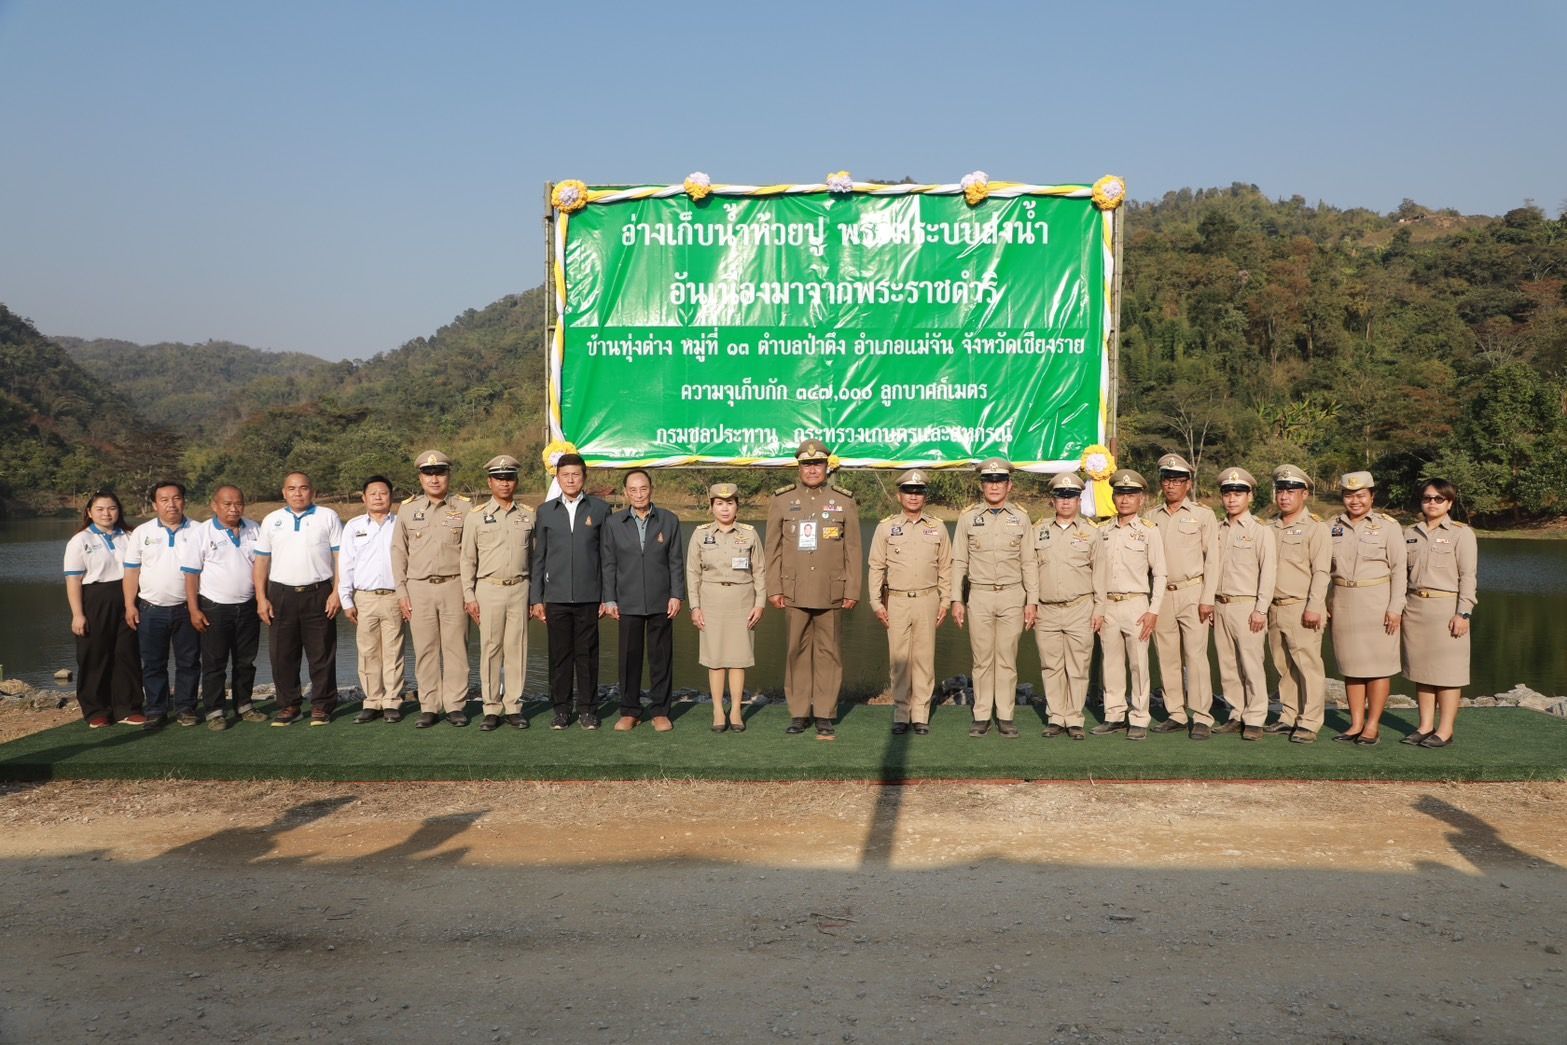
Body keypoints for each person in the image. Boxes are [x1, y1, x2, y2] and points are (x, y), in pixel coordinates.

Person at [765, 439, 862, 739]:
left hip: (831, 589)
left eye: (817, 464)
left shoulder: (844, 501)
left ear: (826, 467)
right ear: (799, 467)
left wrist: (853, 589)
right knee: (796, 651)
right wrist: (774, 587)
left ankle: (824, 712)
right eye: (807, 464)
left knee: (829, 652)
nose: (812, 469)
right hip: (793, 590)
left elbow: (854, 550)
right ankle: (798, 713)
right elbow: (773, 549)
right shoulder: (782, 501)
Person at [951, 458, 1038, 738]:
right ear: (982, 485)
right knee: (982, 659)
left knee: (1007, 659)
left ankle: (1005, 715)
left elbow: (1029, 563)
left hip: (1013, 595)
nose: (994, 486)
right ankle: (981, 715)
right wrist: (956, 599)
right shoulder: (968, 518)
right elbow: (958, 562)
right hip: (980, 595)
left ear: (1009, 485)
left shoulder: (1021, 518)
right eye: (989, 481)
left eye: (1000, 481)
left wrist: (1032, 601)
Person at [254, 471, 344, 726]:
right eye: (292, 488)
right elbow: (261, 561)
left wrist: (337, 592)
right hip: (281, 594)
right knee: (282, 655)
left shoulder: (328, 516)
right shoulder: (272, 520)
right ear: (283, 493)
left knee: (322, 653)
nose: (297, 493)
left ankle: (322, 706)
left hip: (319, 593)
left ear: (312, 491)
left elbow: (340, 558)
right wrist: (261, 598)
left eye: (303, 488)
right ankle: (289, 706)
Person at [866, 469, 951, 736]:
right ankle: (901, 713)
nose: (913, 497)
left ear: (925, 496)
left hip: (928, 599)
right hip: (898, 601)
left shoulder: (937, 527)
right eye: (908, 491)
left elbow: (946, 567)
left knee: (924, 659)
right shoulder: (885, 527)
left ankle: (921, 715)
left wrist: (946, 601)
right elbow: (875, 567)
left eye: (919, 491)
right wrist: (876, 602)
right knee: (899, 660)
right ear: (899, 495)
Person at [530, 452, 610, 730]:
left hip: (589, 597)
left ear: (584, 477)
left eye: (576, 474)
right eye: (565, 475)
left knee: (587, 655)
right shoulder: (546, 511)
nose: (571, 479)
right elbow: (539, 557)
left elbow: (606, 557)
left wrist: (606, 596)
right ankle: (561, 710)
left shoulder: (600, 509)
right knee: (559, 656)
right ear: (558, 478)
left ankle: (588, 709)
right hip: (556, 597)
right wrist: (536, 598)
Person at [392, 450, 472, 728]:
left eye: (440, 472)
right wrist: (401, 592)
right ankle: (429, 705)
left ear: (448, 475)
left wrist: (470, 591)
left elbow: (472, 553)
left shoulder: (465, 508)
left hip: (455, 586)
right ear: (420, 477)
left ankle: (455, 705)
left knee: (456, 649)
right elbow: (398, 553)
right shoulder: (406, 509)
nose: (434, 478)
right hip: (419, 588)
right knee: (425, 649)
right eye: (428, 473)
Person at [602, 468, 685, 732]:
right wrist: (610, 599)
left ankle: (660, 710)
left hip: (661, 600)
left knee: (661, 657)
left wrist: (676, 594)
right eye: (633, 490)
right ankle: (630, 711)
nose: (638, 494)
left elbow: (675, 562)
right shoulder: (614, 523)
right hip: (627, 601)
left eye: (643, 488)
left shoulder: (669, 520)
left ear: (651, 489)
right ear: (626, 492)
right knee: (629, 658)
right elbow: (608, 564)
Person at [1327, 471, 1407, 745]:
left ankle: (1372, 725)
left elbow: (1399, 571)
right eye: (1349, 495)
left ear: (1372, 496)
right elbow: (1323, 569)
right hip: (1344, 601)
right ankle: (1355, 723)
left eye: (1361, 495)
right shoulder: (1331, 526)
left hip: (1377, 601)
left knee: (1378, 667)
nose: (1355, 501)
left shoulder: (1388, 526)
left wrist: (1396, 607)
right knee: (1351, 666)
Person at [1144, 452, 1219, 735]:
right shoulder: (1150, 517)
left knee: (1196, 656)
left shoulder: (1203, 515)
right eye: (1166, 479)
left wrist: (1207, 598)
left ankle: (1201, 716)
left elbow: (1213, 560)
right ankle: (1176, 712)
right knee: (1167, 655)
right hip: (1162, 594)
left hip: (1192, 591)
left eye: (1177, 480)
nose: (1171, 485)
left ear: (1188, 483)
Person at [461, 455, 536, 732]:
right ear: (490, 481)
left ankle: (514, 706)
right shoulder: (476, 516)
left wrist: (534, 596)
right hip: (488, 589)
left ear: (516, 481)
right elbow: (467, 559)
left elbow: (535, 557)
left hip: (520, 588)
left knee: (517, 650)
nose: (505, 483)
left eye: (509, 478)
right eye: (499, 478)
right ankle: (491, 708)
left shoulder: (528, 515)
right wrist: (469, 595)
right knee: (491, 649)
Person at [1401, 478, 1477, 749]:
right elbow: (1401, 574)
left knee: (1448, 673)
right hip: (1415, 608)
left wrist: (1463, 613)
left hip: (1446, 609)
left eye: (1438, 499)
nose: (1431, 503)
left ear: (1449, 503)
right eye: (1427, 498)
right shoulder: (1409, 532)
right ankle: (1424, 726)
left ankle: (1445, 730)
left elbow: (1468, 577)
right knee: (1421, 671)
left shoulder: (1461, 533)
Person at [1093, 469, 1168, 740]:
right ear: (1113, 496)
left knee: (1139, 664)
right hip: (1108, 605)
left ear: (1141, 499)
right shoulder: (1101, 530)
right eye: (1120, 494)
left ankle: (1139, 717)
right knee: (1111, 664)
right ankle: (1114, 715)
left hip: (1137, 604)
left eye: (1131, 494)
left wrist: (1153, 610)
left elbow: (1160, 573)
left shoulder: (1149, 532)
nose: (1125, 500)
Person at [122, 480, 203, 729]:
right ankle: (156, 709)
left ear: (184, 501)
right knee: (153, 663)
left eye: (176, 498)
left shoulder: (200, 530)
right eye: (165, 500)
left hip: (187, 608)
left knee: (188, 662)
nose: (171, 504)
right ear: (155, 504)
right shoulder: (142, 532)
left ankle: (186, 707)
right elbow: (131, 572)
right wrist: (130, 605)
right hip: (151, 608)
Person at [686, 483, 766, 732]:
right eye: (719, 503)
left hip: (742, 600)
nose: (725, 508)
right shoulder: (700, 534)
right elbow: (692, 573)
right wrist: (695, 606)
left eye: (730, 503)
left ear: (737, 507)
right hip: (711, 600)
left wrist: (760, 603)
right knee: (716, 659)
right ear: (711, 507)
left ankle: (736, 711)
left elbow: (760, 571)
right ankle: (718, 709)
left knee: (738, 659)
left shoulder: (750, 534)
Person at [184, 484, 265, 730]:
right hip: (214, 607)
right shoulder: (202, 532)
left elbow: (262, 566)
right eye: (227, 504)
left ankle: (244, 705)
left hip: (248, 606)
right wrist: (194, 609)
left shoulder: (254, 529)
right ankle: (215, 711)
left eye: (238, 503)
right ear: (214, 505)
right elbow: (190, 574)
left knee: (245, 661)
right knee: (215, 663)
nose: (233, 509)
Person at [62, 490, 145, 727]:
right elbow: (73, 580)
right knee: (95, 655)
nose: (106, 513)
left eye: (111, 508)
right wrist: (78, 614)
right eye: (100, 509)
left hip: (128, 597)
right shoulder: (80, 540)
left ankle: (128, 708)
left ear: (119, 511)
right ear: (89, 512)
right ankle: (96, 710)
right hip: (95, 599)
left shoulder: (130, 536)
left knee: (126, 653)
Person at [1029, 471, 1101, 740]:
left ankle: (1074, 718)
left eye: (1071, 496)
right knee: (1051, 666)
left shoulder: (1090, 533)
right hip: (1046, 609)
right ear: (1053, 500)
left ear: (1079, 500)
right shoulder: (1038, 531)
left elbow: (1100, 574)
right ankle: (1055, 717)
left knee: (1078, 667)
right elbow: (1031, 571)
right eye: (1061, 496)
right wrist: (1031, 604)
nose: (1066, 501)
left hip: (1079, 607)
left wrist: (1100, 609)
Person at [1265, 464, 1331, 744]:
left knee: (1308, 666)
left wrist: (1315, 606)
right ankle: (1289, 715)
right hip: (1274, 606)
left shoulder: (1315, 527)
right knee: (1283, 665)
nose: (1284, 496)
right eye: (1281, 490)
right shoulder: (1269, 528)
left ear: (1304, 494)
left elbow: (1321, 571)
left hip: (1302, 606)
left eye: (1291, 491)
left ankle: (1310, 721)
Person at [1209, 468, 1277, 741]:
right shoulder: (1217, 529)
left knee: (1251, 664)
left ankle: (1256, 717)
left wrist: (1261, 609)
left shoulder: (1260, 530)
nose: (1232, 499)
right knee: (1227, 665)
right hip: (1220, 604)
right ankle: (1236, 713)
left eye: (1238, 493)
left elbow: (1268, 572)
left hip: (1247, 606)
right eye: (1227, 493)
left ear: (1250, 496)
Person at [340, 475, 406, 724]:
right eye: (373, 493)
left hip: (394, 596)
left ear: (391, 496)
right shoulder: (354, 526)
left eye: (383, 493)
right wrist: (346, 600)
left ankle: (392, 702)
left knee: (393, 651)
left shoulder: (401, 524)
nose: (378, 497)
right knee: (368, 652)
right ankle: (372, 701)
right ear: (364, 497)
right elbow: (345, 564)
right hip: (365, 597)